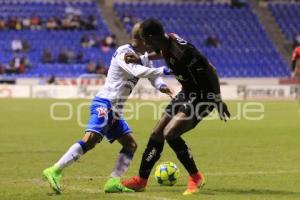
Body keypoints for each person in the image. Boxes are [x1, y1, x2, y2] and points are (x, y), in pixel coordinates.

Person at [42, 22, 172, 194]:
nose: (150, 44)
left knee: (130, 145)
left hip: (116, 110)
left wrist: (162, 86)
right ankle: (55, 170)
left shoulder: (144, 56)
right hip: (105, 102)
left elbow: (153, 76)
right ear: (140, 39)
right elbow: (139, 72)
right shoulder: (123, 52)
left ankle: (113, 182)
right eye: (148, 39)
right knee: (91, 139)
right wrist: (167, 69)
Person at [122, 18, 230, 195]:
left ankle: (196, 177)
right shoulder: (166, 42)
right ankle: (141, 180)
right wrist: (142, 59)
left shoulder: (184, 51)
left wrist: (217, 99)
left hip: (203, 96)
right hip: (186, 92)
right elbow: (162, 52)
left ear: (153, 37)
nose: (145, 44)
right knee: (156, 134)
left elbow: (210, 69)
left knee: (170, 133)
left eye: (146, 40)